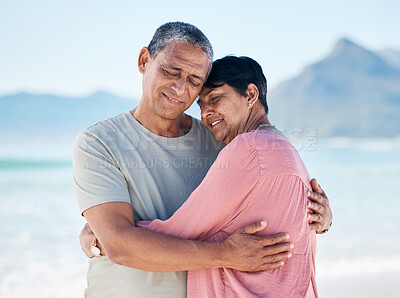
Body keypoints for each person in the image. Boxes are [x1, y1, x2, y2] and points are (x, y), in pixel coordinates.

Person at [73, 22, 332, 297]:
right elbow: (121, 246)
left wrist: (320, 218)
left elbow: (273, 206)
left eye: (194, 81)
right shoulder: (98, 142)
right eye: (171, 71)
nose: (179, 88)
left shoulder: (224, 144)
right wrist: (113, 237)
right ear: (144, 61)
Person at [134, 55, 318, 297]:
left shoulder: (250, 148)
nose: (206, 113)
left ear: (250, 95)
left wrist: (110, 236)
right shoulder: (287, 152)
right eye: (201, 105)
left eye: (215, 98)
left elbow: (178, 231)